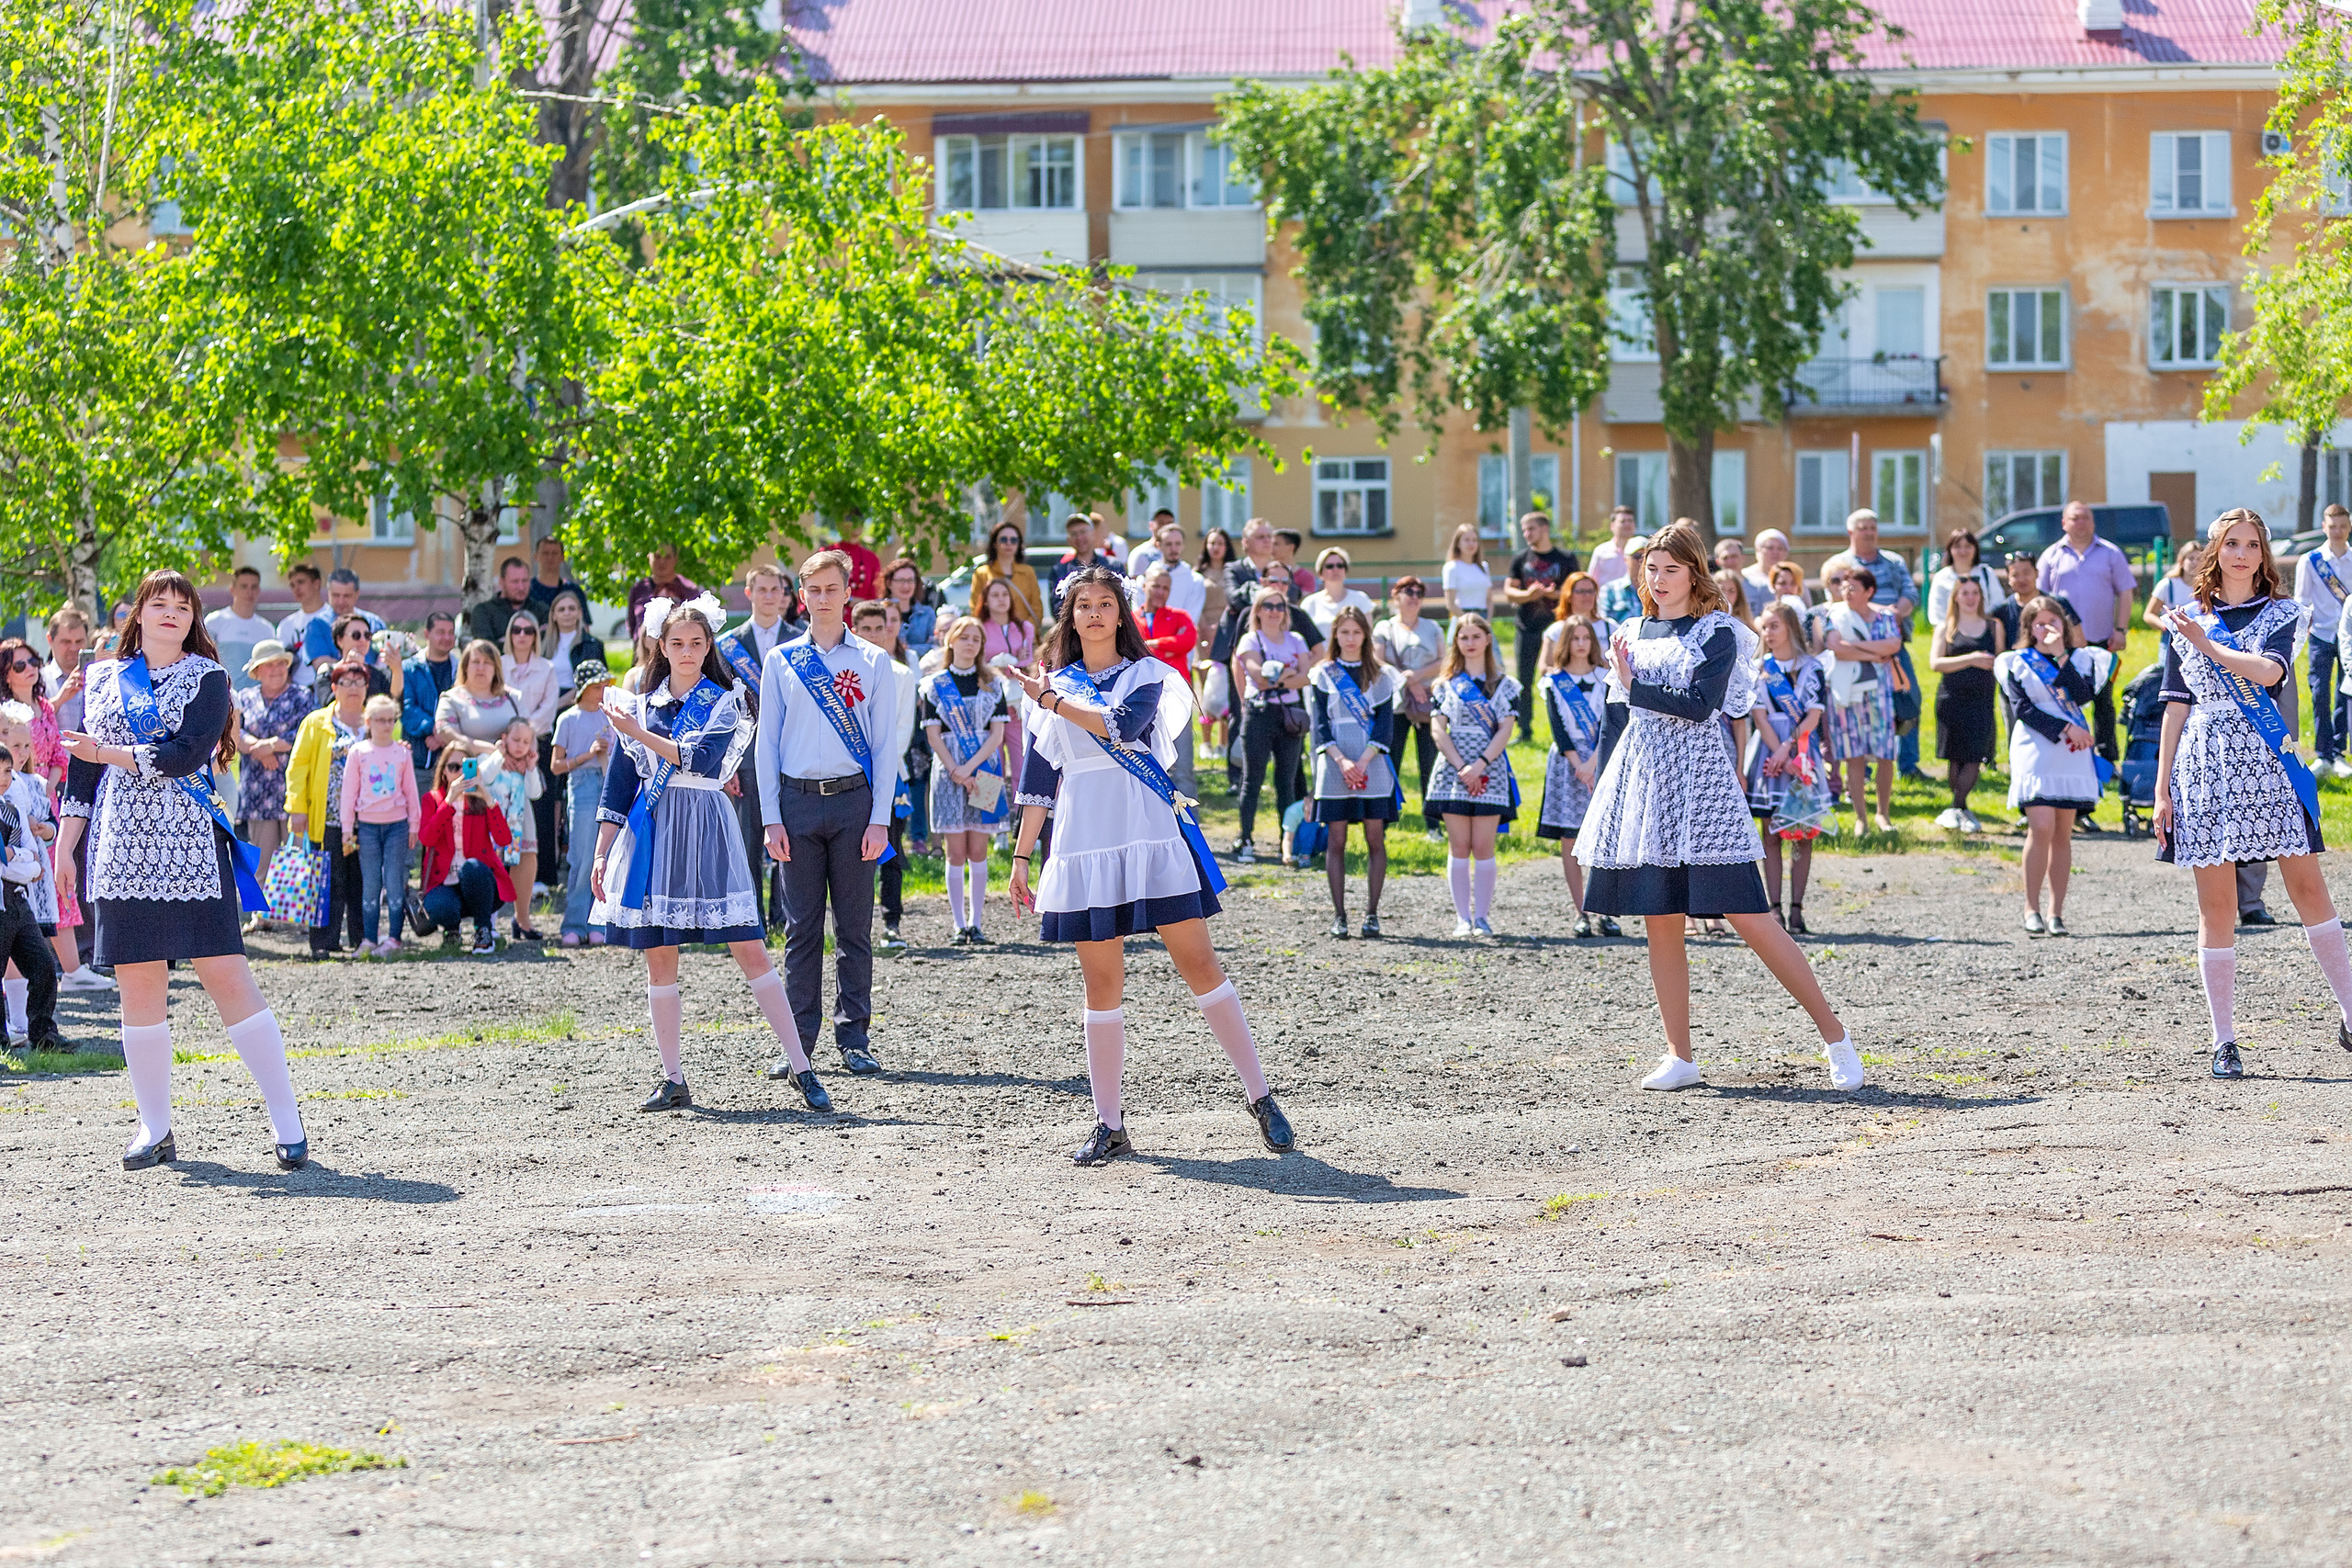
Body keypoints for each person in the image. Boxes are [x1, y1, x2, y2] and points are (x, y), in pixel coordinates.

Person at [1002, 567, 1294, 1165]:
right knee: (1102, 982)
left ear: (1121, 613)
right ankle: (1109, 1123)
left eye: (1105, 603)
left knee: (1200, 964)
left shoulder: (1147, 675)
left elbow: (1122, 727)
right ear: (1070, 616)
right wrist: (1023, 854)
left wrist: (1050, 698)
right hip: (1085, 837)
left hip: (1147, 830)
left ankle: (1261, 1096)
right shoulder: (1051, 684)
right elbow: (1039, 777)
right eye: (1083, 604)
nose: (1094, 613)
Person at [1576, 522, 1862, 1093]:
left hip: (1702, 789)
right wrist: (1608, 787)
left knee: (1750, 915)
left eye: (1671, 570)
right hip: (1646, 783)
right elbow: (1619, 715)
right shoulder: (1630, 629)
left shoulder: (1719, 632)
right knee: (1661, 921)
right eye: (1651, 570)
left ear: (1694, 572)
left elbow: (1702, 706)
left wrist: (1634, 685)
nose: (1658, 580)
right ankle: (1679, 1055)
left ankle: (1836, 1038)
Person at [56, 570, 308, 1171]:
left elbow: (184, 756)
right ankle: (155, 1126)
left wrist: (108, 753)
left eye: (182, 605)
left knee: (228, 978)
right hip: (122, 851)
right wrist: (66, 846)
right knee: (139, 988)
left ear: (194, 618)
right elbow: (82, 774)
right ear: (137, 614)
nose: (170, 613)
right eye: (158, 603)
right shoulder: (102, 678)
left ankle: (288, 1121)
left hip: (192, 847)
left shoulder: (210, 678)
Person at [592, 594, 829, 1113]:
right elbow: (620, 783)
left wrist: (638, 734)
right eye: (677, 642)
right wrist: (602, 850)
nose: (687, 651)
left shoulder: (724, 701)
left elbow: (703, 761)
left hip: (705, 825)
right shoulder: (640, 705)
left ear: (708, 646)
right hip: (653, 830)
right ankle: (672, 1076)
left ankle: (801, 1065)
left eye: (697, 643)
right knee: (659, 957)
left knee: (749, 946)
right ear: (661, 645)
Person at [2153, 508, 2352, 1078]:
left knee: (2309, 888)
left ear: (2264, 555)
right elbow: (2175, 705)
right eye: (2231, 543)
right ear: (2214, 551)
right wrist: (2163, 788)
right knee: (2217, 907)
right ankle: (2224, 1040)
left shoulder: (2284, 613)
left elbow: (2268, 673)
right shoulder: (2184, 618)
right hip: (2204, 762)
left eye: (2253, 544)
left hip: (2268, 762)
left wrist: (2207, 645)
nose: (2242, 553)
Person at [756, 550, 898, 1077]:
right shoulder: (781, 661)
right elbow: (765, 744)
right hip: (795, 804)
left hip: (854, 803)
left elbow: (885, 748)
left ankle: (854, 1037)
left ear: (847, 594)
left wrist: (879, 817)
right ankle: (799, 1044)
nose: (822, 599)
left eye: (831, 589)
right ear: (802, 597)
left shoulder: (873, 661)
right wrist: (772, 816)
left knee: (855, 924)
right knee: (801, 929)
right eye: (813, 590)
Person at [1997, 595, 2112, 936]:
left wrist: (2062, 653)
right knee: (2041, 825)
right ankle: (2030, 906)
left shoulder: (2082, 659)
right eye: (2039, 623)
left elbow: (2082, 695)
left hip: (2073, 753)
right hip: (2037, 746)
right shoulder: (2016, 662)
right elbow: (2023, 709)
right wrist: (2065, 728)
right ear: (2029, 628)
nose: (2047, 628)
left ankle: (2055, 912)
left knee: (2063, 831)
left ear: (2063, 624)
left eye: (2053, 621)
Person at [1423, 612, 1520, 938]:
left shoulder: (1506, 686)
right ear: (1456, 643)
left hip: (1490, 771)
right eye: (1463, 638)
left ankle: (1483, 918)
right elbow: (1438, 730)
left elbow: (1506, 730)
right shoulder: (1445, 686)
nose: (1470, 643)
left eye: (1475, 636)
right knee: (1459, 845)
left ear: (1488, 639)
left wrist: (1479, 764)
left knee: (1484, 846)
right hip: (1453, 772)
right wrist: (1462, 766)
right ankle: (1462, 918)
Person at [716, 564, 799, 930]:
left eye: (776, 590)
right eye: (761, 589)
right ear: (748, 593)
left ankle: (785, 917)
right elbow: (719, 708)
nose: (769, 596)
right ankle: (752, 918)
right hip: (745, 756)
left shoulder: (803, 641)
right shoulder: (726, 646)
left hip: (792, 755)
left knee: (790, 840)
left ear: (785, 595)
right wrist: (726, 764)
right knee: (749, 839)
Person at [1308, 607, 1399, 940]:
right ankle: (1340, 916)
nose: (1350, 638)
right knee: (1337, 840)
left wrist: (1361, 761)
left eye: (1356, 632)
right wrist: (1342, 762)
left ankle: (1372, 913)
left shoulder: (1381, 677)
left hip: (1371, 763)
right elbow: (1319, 725)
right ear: (1335, 635)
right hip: (1334, 765)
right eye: (1344, 632)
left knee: (1376, 838)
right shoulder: (1322, 674)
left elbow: (1386, 726)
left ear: (1365, 636)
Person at [922, 615, 1012, 946]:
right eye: (964, 637)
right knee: (954, 852)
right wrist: (957, 770)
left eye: (976, 638)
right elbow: (933, 736)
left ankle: (977, 923)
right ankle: (958, 925)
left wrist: (971, 769)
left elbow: (997, 734)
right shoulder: (934, 686)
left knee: (979, 849)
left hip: (985, 769)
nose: (970, 643)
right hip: (948, 771)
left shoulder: (993, 684)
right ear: (951, 641)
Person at [1745, 604, 1831, 932]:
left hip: (1802, 751)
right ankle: (1774, 908)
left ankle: (1797, 908)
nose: (1767, 633)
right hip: (1769, 754)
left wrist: (1788, 749)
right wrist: (1777, 751)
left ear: (1791, 628)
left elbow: (1813, 714)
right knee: (1771, 832)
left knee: (1803, 832)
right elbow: (1760, 717)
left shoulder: (1812, 668)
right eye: (1764, 627)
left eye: (1774, 626)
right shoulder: (1759, 669)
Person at [2037, 500, 2134, 780]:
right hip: (2060, 645)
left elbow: (2126, 593)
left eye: (2087, 518)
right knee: (2062, 700)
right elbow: (2040, 600)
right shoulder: (2051, 556)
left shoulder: (2110, 553)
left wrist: (2121, 629)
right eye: (2075, 518)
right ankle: (2069, 755)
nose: (2082, 523)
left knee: (2103, 701)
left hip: (2101, 642)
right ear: (2064, 523)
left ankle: (2107, 759)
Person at [287, 658, 371, 958]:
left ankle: (363, 939)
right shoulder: (316, 722)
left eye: (358, 682)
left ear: (366, 688)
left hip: (368, 820)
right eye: (345, 683)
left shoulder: (375, 722)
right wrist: (297, 807)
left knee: (362, 880)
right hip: (328, 817)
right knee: (327, 880)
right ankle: (323, 942)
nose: (352, 689)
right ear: (333, 687)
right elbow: (298, 767)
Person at [853, 598, 919, 954]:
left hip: (890, 776)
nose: (875, 635)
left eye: (880, 628)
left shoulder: (902, 675)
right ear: (855, 630)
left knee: (891, 852)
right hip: (847, 779)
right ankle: (856, 925)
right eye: (867, 629)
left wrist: (874, 768)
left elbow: (902, 731)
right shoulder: (843, 671)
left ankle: (892, 922)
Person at [1535, 614, 1606, 937]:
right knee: (1570, 837)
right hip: (1567, 764)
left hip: (1601, 761)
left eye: (1586, 638)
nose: (1580, 644)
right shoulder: (1553, 681)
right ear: (1565, 642)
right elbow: (1558, 729)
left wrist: (1592, 763)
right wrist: (1579, 763)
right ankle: (1581, 912)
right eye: (1574, 638)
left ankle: (1605, 909)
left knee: (1606, 839)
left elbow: (1612, 726)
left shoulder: (1608, 679)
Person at [1230, 588, 1310, 866]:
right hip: (1259, 714)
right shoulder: (1250, 639)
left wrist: (1279, 675)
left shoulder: (1296, 639)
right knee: (1252, 780)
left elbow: (1306, 677)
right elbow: (1258, 677)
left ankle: (1285, 841)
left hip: (1289, 715)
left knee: (1286, 782)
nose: (1274, 611)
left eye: (1280, 606)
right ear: (1258, 610)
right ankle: (1246, 838)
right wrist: (1289, 673)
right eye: (1268, 605)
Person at [231, 641, 307, 927]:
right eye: (270, 664)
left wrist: (268, 746)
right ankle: (260, 915)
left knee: (293, 852)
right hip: (257, 788)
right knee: (259, 854)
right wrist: (260, 750)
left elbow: (301, 733)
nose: (277, 669)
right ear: (257, 670)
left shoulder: (301, 696)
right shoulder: (245, 698)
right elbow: (236, 734)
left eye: (281, 664)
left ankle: (292, 915)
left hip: (292, 787)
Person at [338, 694, 420, 956]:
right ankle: (369, 940)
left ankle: (394, 938)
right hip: (368, 827)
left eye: (391, 720)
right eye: (380, 720)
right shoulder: (358, 753)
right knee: (370, 883)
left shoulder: (402, 753)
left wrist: (414, 825)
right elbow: (349, 792)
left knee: (394, 882)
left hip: (397, 825)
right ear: (368, 721)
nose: (386, 725)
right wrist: (347, 828)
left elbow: (411, 791)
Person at [1823, 567, 1903, 834]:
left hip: (1880, 695)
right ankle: (1861, 819)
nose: (1847, 592)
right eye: (1844, 587)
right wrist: (1872, 653)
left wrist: (1856, 647)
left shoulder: (1885, 617)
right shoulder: (1835, 615)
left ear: (1869, 591)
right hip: (1848, 696)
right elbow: (1837, 649)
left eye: (1853, 588)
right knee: (1853, 756)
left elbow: (1893, 646)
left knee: (1885, 754)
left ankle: (1883, 814)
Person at [0, 739, 65, 1053]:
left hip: (17, 900)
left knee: (43, 968)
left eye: (8, 771)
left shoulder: (13, 806)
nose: (3, 778)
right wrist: (20, 860)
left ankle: (43, 1035)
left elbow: (32, 860)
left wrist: (19, 858)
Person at [1928, 576, 2005, 833]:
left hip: (1981, 700)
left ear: (1981, 597)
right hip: (1951, 700)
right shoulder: (1946, 627)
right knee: (1954, 758)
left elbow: (2001, 661)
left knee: (1974, 755)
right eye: (1965, 593)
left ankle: (1957, 807)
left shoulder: (1994, 627)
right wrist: (1971, 658)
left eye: (1975, 593)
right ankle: (1959, 808)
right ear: (1955, 597)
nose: (1970, 598)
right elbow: (1935, 663)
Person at [417, 750, 510, 954]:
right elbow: (426, 838)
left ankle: (483, 929)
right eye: (453, 767)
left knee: (472, 867)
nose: (459, 773)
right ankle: (451, 930)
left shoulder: (481, 801)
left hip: (480, 884)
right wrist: (448, 801)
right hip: (444, 884)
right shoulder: (432, 799)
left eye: (465, 767)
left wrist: (487, 797)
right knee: (441, 906)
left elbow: (504, 839)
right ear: (444, 773)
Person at [551, 660, 616, 948]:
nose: (603, 690)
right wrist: (588, 756)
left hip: (609, 782)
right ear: (584, 688)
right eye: (598, 685)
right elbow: (556, 766)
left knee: (607, 857)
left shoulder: (612, 716)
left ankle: (598, 921)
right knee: (581, 858)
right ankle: (574, 923)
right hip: (582, 786)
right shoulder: (568, 719)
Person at [501, 608, 562, 891]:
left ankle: (541, 877)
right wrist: (512, 740)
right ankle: (501, 873)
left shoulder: (547, 668)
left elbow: (548, 709)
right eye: (517, 630)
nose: (522, 635)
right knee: (502, 809)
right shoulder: (498, 665)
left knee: (540, 810)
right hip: (502, 749)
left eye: (529, 631)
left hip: (537, 747)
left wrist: (523, 739)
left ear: (536, 636)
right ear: (509, 635)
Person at [1371, 577, 1442, 817]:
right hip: (1395, 704)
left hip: (1426, 702)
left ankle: (1432, 821)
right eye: (1408, 591)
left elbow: (1445, 661)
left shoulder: (1432, 627)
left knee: (1429, 762)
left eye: (1419, 593)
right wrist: (1408, 681)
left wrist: (1417, 676)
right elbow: (1377, 661)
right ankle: (1387, 817)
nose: (1414, 597)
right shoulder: (1384, 628)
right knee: (1392, 760)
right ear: (1396, 595)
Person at [1503, 513, 1577, 725]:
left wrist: (1556, 594)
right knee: (1523, 680)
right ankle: (1524, 729)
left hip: (1557, 630)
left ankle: (1564, 724)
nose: (1526, 534)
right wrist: (1528, 595)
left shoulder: (1566, 558)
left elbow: (1575, 588)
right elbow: (1509, 591)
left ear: (1544, 529)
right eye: (1524, 529)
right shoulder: (1520, 558)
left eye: (1531, 529)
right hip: (1527, 628)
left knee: (1560, 678)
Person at [2297, 502, 2352, 778]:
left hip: (2350, 638)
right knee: (2319, 693)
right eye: (2332, 526)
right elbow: (2301, 602)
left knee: (2346, 693)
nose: (2337, 531)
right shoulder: (2310, 561)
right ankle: (2323, 754)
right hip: (2320, 634)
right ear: (2323, 527)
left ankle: (2339, 753)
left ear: (2349, 527)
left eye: (2342, 526)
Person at [1136, 568, 1199, 802]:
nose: (1160, 592)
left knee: (1183, 768)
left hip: (1175, 699)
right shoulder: (1131, 618)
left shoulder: (1180, 616)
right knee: (1146, 766)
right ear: (1144, 586)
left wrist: (1150, 644)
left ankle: (1192, 832)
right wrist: (1166, 646)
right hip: (1141, 699)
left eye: (1166, 588)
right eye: (1156, 586)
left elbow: (1187, 641)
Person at [488, 717, 547, 940]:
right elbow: (486, 776)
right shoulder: (493, 760)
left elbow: (535, 793)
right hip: (496, 819)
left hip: (519, 821)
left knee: (524, 860)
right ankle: (489, 922)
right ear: (504, 739)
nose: (521, 745)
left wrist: (531, 768)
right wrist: (498, 755)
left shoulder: (527, 766)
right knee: (493, 866)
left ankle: (522, 919)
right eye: (515, 740)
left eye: (526, 741)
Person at [434, 640, 526, 760]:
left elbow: (530, 735)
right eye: (476, 662)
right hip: (469, 771)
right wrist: (493, 752)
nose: (481, 667)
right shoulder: (450, 699)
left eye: (487, 662)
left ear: (496, 668)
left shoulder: (513, 697)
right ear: (465, 666)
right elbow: (450, 736)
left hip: (512, 772)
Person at [401, 612, 459, 774]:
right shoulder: (409, 668)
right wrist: (433, 729)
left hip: (454, 763)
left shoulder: (461, 669)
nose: (447, 637)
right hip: (418, 760)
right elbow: (406, 707)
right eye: (440, 632)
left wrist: (444, 735)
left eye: (450, 633)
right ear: (427, 634)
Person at [207, 567, 277, 691]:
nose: (249, 592)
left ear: (259, 590)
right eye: (244, 586)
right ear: (232, 589)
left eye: (254, 587)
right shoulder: (214, 621)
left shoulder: (267, 629)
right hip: (223, 694)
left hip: (255, 701)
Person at [301, 569, 383, 676]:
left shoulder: (374, 623)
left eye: (346, 596)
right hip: (333, 688)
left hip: (372, 687)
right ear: (328, 593)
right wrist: (357, 667)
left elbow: (385, 663)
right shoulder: (317, 625)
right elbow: (321, 665)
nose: (340, 601)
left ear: (357, 594)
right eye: (335, 595)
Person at [1927, 528, 2008, 628]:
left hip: (1984, 633)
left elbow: (1998, 604)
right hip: (1952, 633)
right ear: (1950, 550)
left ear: (1975, 549)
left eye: (1968, 546)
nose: (1963, 551)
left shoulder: (1986, 573)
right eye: (1957, 547)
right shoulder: (1941, 577)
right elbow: (1937, 613)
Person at [971, 521, 1044, 628]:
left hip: (1024, 636)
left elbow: (1037, 609)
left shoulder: (1028, 572)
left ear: (1019, 544)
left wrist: (1025, 632)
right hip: (992, 637)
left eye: (1014, 540)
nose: (1009, 543)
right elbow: (976, 609)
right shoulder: (982, 573)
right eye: (1003, 539)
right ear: (995, 544)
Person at [627, 547, 701, 639]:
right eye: (657, 556)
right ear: (649, 557)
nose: (662, 561)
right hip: (644, 651)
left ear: (675, 559)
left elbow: (698, 627)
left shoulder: (689, 589)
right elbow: (632, 626)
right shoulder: (638, 589)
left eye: (667, 557)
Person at [273, 563, 325, 694]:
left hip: (327, 687)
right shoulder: (287, 625)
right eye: (292, 585)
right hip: (297, 692)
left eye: (301, 582)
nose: (297, 588)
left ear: (316, 583)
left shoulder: (333, 619)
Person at [1304, 548, 1375, 639]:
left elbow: (1368, 636)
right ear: (1320, 573)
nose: (1335, 569)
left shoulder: (1361, 599)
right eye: (1330, 566)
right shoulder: (1309, 603)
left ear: (1345, 571)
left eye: (1340, 565)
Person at [545, 587, 606, 694]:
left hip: (578, 702)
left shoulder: (593, 645)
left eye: (572, 608)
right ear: (553, 615)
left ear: (580, 613)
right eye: (561, 609)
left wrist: (560, 703)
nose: (567, 613)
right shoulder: (542, 645)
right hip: (547, 700)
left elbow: (598, 683)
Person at [468, 556, 537, 646]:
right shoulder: (483, 612)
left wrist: (504, 641)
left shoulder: (541, 610)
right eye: (515, 582)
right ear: (501, 582)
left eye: (525, 581)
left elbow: (545, 645)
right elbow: (487, 650)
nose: (521, 587)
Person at [881, 557, 938, 666]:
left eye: (910, 580)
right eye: (901, 580)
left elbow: (934, 646)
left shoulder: (927, 614)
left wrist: (907, 649)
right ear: (889, 583)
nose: (906, 586)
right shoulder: (877, 612)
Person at [526, 534, 587, 617]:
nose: (550, 557)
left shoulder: (574, 591)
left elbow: (584, 626)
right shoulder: (527, 590)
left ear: (562, 557)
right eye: (545, 553)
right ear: (536, 556)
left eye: (554, 553)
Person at [1048, 513, 1100, 615]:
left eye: (1083, 532)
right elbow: (1057, 608)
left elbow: (1125, 603)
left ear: (1093, 534)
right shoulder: (1059, 571)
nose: (1079, 537)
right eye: (1074, 534)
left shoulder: (1112, 566)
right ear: (1068, 540)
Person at [2146, 541, 2204, 628]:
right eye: (2191, 559)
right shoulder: (2168, 585)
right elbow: (2149, 614)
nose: (2195, 563)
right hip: (2172, 637)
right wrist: (2165, 627)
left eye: (2199, 559)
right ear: (2181, 562)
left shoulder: (2207, 586)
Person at [1194, 526, 1237, 641]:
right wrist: (1204, 626)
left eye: (1220, 543)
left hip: (1229, 626)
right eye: (1212, 543)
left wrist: (1221, 624)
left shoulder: (1234, 572)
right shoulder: (1198, 574)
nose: (1216, 547)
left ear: (1227, 546)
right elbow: (1195, 602)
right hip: (1202, 627)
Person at [1442, 524, 1493, 617]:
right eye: (1466, 540)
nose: (1471, 544)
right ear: (1458, 543)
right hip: (1462, 618)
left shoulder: (1484, 567)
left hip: (1483, 616)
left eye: (1474, 540)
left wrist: (1486, 622)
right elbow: (1450, 605)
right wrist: (1468, 622)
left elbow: (1489, 599)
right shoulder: (1451, 567)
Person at [829, 516, 884, 601]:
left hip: (865, 611)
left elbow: (877, 593)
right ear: (839, 524)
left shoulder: (871, 558)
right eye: (850, 518)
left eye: (860, 518)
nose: (856, 522)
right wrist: (849, 600)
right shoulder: (828, 553)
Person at [1587, 505, 1640, 589]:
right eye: (1623, 521)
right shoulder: (1601, 551)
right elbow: (1591, 581)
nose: (1627, 524)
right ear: (1612, 526)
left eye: (1630, 521)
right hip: (1605, 600)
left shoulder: (1640, 552)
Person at [1600, 538, 1650, 625]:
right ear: (1625, 559)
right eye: (1637, 556)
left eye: (1646, 557)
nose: (1642, 561)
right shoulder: (1609, 590)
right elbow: (1605, 624)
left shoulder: (1658, 590)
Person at [1742, 529, 1792, 607]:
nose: (1775, 552)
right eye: (1770, 548)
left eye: (1780, 548)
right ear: (1758, 550)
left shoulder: (1794, 577)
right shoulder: (1744, 576)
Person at [1271, 529, 1316, 597]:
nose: (1271, 548)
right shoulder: (1267, 573)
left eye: (1276, 544)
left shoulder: (1306, 576)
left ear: (1291, 547)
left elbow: (1304, 601)